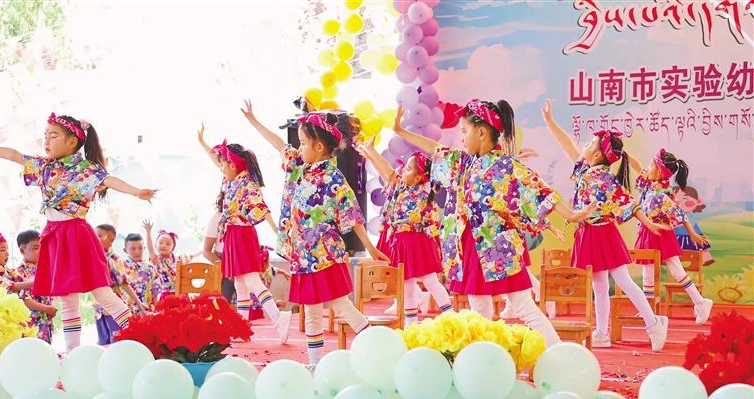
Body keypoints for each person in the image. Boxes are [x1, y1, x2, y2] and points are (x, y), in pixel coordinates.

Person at [394, 100, 592, 348]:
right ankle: (486, 358)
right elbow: (436, 149)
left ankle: (558, 353)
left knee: (523, 306)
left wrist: (571, 215)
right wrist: (400, 131)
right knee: (480, 311)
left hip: (500, 247)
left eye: (464, 131)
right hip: (471, 245)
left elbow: (540, 190)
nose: (461, 137)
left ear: (481, 132)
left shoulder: (507, 166)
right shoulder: (463, 163)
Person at [0, 113, 156, 351]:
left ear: (72, 141)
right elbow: (14, 155)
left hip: (76, 235)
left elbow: (109, 180)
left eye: (53, 136)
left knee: (102, 293)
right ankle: (72, 352)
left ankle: (143, 339)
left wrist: (136, 191)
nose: (46, 140)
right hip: (54, 235)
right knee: (66, 299)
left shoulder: (86, 170)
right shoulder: (44, 166)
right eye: (45, 135)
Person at [242, 101, 388, 365]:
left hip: (325, 256)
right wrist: (254, 121)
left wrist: (371, 247)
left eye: (303, 143)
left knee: (341, 305)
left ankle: (379, 349)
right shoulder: (298, 166)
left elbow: (353, 216)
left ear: (319, 147)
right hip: (303, 257)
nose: (298, 148)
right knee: (310, 312)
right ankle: (315, 364)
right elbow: (278, 144)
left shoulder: (334, 179)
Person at [541, 99, 670, 350]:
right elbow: (566, 143)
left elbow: (629, 204)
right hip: (588, 232)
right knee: (598, 285)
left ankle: (654, 324)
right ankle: (601, 333)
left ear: (598, 155)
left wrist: (649, 223)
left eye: (590, 144)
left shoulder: (606, 180)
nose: (585, 145)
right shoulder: (583, 170)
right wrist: (550, 122)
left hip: (604, 233)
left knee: (623, 280)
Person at [197, 126, 290, 342]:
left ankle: (278, 318)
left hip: (242, 235)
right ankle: (242, 327)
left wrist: (277, 231)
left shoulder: (248, 184)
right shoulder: (230, 180)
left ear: (233, 165)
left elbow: (262, 209)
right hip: (232, 235)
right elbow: (216, 160)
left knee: (251, 280)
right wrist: (202, 142)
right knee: (240, 284)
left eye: (224, 164)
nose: (220, 167)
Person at [357, 139, 452, 325]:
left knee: (431, 281)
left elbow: (387, 170)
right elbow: (385, 168)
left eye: (408, 169)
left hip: (418, 242)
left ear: (418, 178)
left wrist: (370, 152)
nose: (402, 170)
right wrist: (370, 151)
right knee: (407, 284)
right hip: (400, 241)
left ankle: (451, 316)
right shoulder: (399, 186)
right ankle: (411, 324)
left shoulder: (423, 193)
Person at [631, 149, 713, 324]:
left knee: (677, 271)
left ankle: (701, 302)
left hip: (661, 233)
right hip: (647, 232)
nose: (647, 167)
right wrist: (624, 154)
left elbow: (680, 214)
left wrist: (693, 234)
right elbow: (637, 166)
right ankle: (648, 310)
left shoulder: (663, 194)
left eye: (651, 165)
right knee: (647, 272)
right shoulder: (649, 183)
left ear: (660, 171)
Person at [15, 229, 57, 342]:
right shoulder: (19, 273)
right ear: (23, 251)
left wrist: (50, 308)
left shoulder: (44, 269)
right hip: (31, 323)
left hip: (46, 320)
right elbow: (24, 300)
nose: (41, 251)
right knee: (35, 349)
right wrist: (46, 308)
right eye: (36, 248)